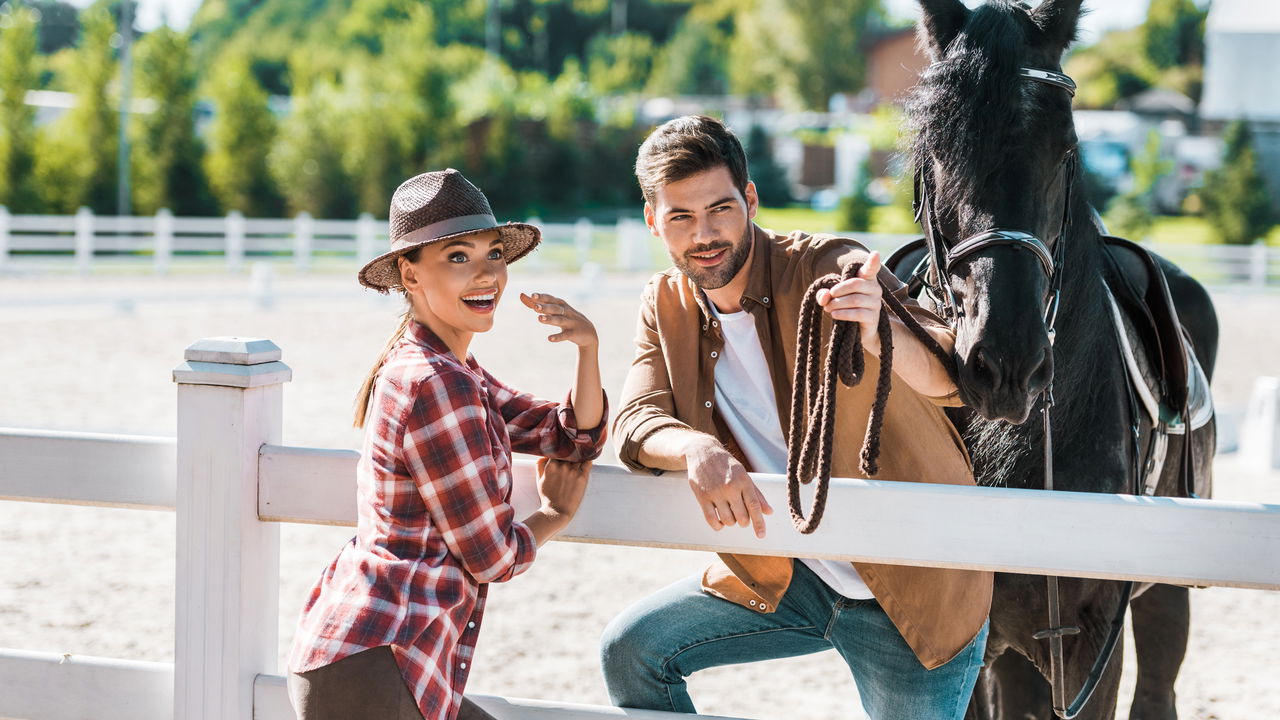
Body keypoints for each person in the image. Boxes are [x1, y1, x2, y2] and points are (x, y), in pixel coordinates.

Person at [601, 116, 992, 720]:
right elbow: (636, 418)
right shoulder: (665, 303)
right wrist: (695, 450)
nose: (704, 234)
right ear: (654, 221)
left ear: (750, 200)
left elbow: (953, 379)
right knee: (633, 652)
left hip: (911, 590)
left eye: (720, 209)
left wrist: (881, 329)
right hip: (787, 577)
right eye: (680, 216)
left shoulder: (831, 265)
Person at [288, 169, 607, 720]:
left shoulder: (456, 372)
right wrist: (555, 514)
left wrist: (587, 349)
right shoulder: (435, 383)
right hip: (373, 665)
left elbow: (566, 435)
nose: (487, 274)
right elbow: (491, 557)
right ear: (409, 275)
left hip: (380, 659)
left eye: (493, 254)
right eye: (458, 257)